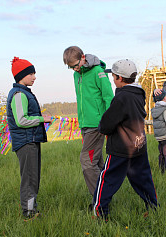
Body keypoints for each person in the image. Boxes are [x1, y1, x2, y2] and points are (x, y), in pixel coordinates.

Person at [92, 59, 158, 221]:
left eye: (114, 77)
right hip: (139, 144)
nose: (113, 80)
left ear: (120, 78)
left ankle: (100, 212)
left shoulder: (122, 98)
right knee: (143, 178)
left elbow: (108, 123)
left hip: (121, 147)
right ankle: (153, 207)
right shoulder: (138, 94)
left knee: (107, 179)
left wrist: (102, 128)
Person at [63, 46, 114, 197]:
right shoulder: (76, 76)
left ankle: (100, 199)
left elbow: (108, 97)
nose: (75, 69)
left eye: (76, 65)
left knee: (86, 160)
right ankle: (106, 195)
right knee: (96, 162)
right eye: (71, 68)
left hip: (97, 125)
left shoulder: (98, 72)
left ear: (83, 57)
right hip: (84, 124)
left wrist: (107, 122)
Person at [6, 57, 53, 220]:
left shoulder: (24, 92)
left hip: (30, 140)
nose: (34, 77)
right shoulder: (19, 94)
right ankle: (29, 213)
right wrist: (42, 119)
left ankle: (31, 209)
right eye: (31, 73)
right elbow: (21, 120)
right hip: (26, 142)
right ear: (21, 75)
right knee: (29, 179)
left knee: (33, 177)